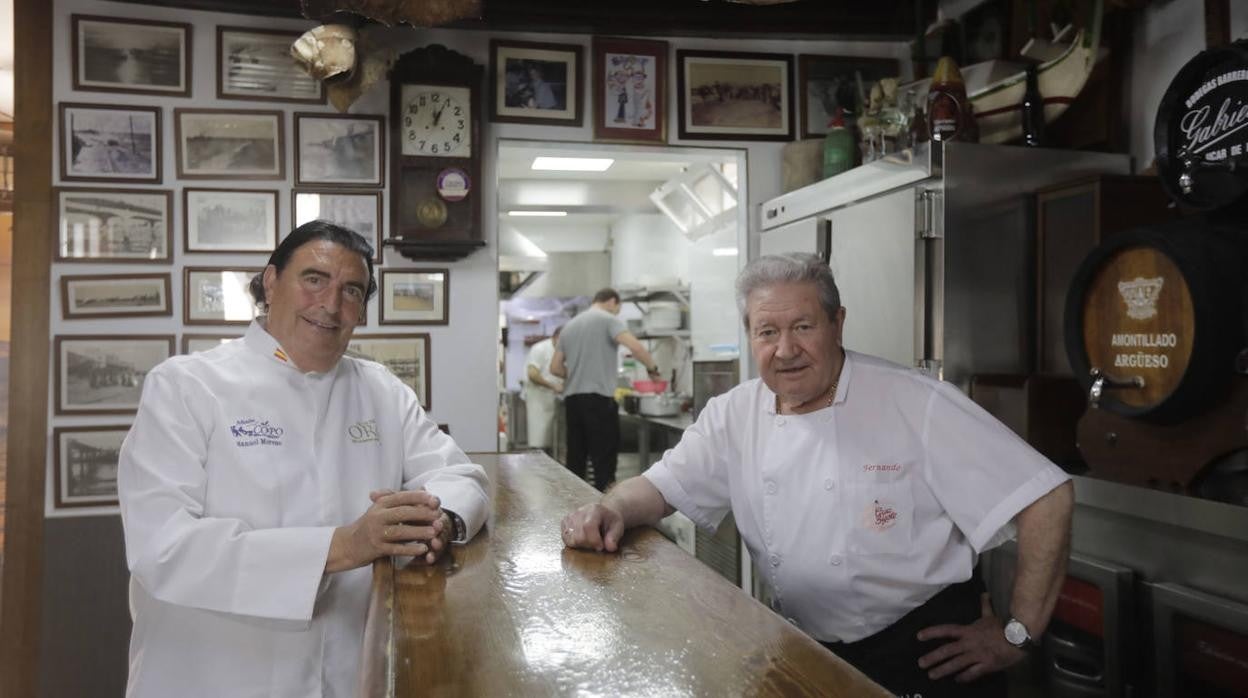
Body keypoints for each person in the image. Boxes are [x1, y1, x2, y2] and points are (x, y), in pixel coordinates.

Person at [560, 254, 1074, 697]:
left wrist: (1017, 635)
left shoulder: (915, 402)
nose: (785, 349)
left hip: (924, 650)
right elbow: (659, 486)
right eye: (768, 332)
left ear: (837, 324)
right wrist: (613, 508)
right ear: (750, 336)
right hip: (802, 645)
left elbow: (1045, 497)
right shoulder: (733, 414)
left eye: (803, 327)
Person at [118, 221, 490, 698]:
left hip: (348, 672)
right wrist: (343, 546)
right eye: (314, 279)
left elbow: (461, 476)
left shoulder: (381, 390)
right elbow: (163, 548)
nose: (331, 304)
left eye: (351, 290)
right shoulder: (186, 386)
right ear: (270, 282)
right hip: (212, 675)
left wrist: (435, 518)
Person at [551, 288, 662, 491]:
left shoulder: (569, 326)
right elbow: (636, 347)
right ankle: (605, 513)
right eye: (618, 309)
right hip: (598, 400)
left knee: (576, 461)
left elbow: (555, 367)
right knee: (603, 462)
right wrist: (653, 369)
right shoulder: (608, 320)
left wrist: (577, 372)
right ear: (613, 301)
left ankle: (573, 512)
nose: (617, 313)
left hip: (573, 402)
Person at [524, 325, 564, 453]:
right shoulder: (540, 348)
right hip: (539, 399)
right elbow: (532, 374)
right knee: (539, 440)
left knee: (552, 440)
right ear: (557, 337)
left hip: (553, 399)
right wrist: (553, 386)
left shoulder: (561, 350)